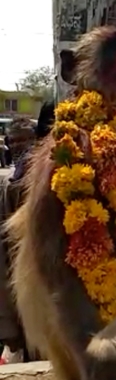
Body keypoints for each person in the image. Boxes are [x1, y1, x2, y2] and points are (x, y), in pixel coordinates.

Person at [0, 102, 55, 362]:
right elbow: (3, 257)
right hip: (30, 301)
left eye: (24, 140)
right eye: (14, 142)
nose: (19, 146)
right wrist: (8, 325)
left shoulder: (65, 176)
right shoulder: (10, 186)